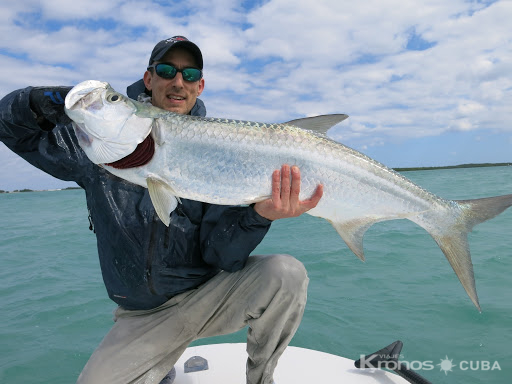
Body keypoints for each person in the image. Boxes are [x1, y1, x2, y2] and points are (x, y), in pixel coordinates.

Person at [0, 36, 323, 384]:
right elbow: (10, 126)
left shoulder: (220, 149)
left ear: (200, 85)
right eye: (167, 70)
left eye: (189, 73)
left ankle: (261, 379)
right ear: (149, 79)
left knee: (286, 273)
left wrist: (261, 216)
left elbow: (222, 255)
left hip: (209, 298)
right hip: (142, 317)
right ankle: (160, 366)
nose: (177, 82)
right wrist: (51, 99)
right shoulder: (94, 151)